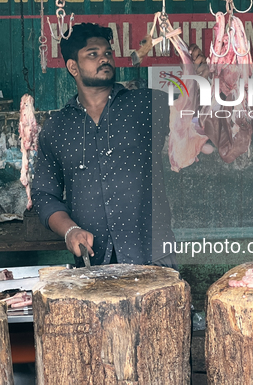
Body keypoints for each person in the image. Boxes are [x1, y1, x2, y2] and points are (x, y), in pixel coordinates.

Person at [31, 23, 177, 268]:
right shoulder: (57, 127)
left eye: (108, 53)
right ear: (72, 67)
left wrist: (202, 76)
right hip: (94, 261)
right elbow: (45, 195)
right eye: (93, 54)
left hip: (154, 257)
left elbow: (198, 123)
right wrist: (70, 231)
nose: (104, 59)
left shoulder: (146, 104)